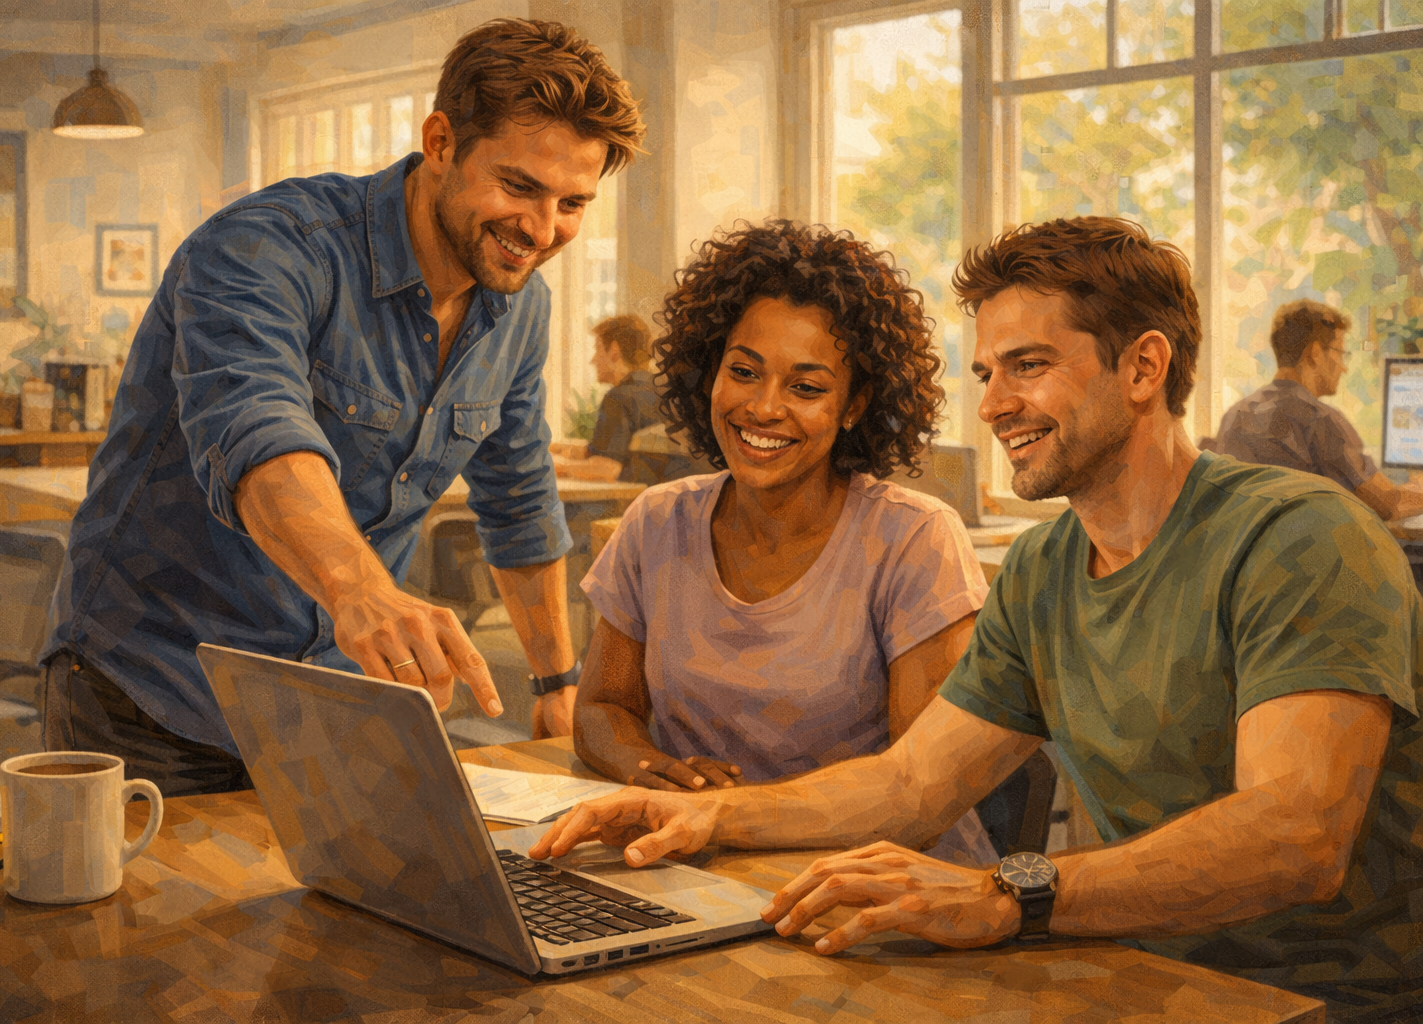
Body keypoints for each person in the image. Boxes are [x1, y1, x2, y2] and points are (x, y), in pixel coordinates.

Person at [530, 216, 1423, 1023]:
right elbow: (911, 785)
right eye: (988, 373)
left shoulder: (1300, 537)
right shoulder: (1044, 568)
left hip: (1325, 999)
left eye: (1029, 367)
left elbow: (1296, 837)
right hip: (1129, 973)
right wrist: (701, 818)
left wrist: (1011, 891)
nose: (993, 404)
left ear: (1144, 367)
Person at [40, 18, 646, 796]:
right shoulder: (267, 246)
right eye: (519, 186)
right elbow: (257, 432)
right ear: (439, 141)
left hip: (331, 702)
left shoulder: (519, 309)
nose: (540, 228)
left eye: (572, 203)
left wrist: (557, 682)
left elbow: (519, 497)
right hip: (153, 689)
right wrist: (364, 592)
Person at [573, 221, 989, 793]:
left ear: (854, 405)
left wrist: (727, 819)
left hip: (866, 869)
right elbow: (601, 708)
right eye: (743, 373)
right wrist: (654, 773)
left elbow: (917, 786)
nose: (764, 408)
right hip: (694, 862)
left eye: (806, 388)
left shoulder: (914, 539)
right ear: (708, 373)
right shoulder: (656, 521)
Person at [1214, 298, 1423, 519]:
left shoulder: (1235, 416)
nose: (1343, 367)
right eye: (1340, 353)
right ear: (1315, 352)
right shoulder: (1320, 421)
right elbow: (1389, 504)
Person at [554, 315, 702, 483]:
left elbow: (607, 468)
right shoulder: (659, 391)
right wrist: (558, 448)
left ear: (614, 353)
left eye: (598, 349)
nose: (593, 360)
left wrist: (557, 467)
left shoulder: (619, 398)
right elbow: (609, 450)